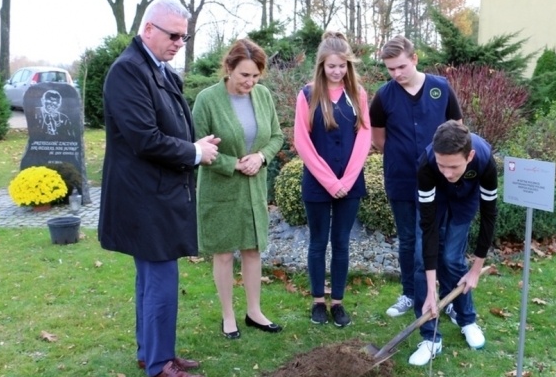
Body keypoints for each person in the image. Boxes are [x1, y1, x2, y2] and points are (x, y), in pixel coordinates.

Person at [99, 0, 220, 377]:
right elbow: (144, 138)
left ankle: (151, 351)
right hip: (144, 196)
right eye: (173, 35)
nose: (178, 44)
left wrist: (193, 144)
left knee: (152, 279)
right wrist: (194, 153)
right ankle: (159, 366)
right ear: (148, 29)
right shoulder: (128, 71)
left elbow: (168, 126)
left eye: (184, 37)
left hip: (159, 192)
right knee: (161, 279)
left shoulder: (159, 69)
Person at [193, 39, 285, 340]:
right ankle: (228, 315)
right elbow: (197, 148)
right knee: (223, 253)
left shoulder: (263, 96)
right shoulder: (207, 100)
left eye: (256, 75)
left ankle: (254, 311)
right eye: (245, 74)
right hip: (220, 188)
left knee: (252, 249)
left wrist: (261, 157)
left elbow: (276, 137)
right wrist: (232, 163)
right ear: (229, 68)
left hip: (253, 187)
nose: (251, 82)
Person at [370, 35, 464, 318]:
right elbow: (378, 139)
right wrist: (403, 156)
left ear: (414, 59)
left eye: (401, 66)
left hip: (439, 180)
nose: (396, 74)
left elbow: (458, 132)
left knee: (440, 239)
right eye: (391, 69)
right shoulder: (383, 96)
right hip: (400, 178)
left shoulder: (440, 88)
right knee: (408, 239)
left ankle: (446, 298)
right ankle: (410, 294)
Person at [293, 32, 371, 327]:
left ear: (348, 65)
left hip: (350, 184)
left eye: (342, 66)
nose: (337, 71)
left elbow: (364, 137)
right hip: (317, 183)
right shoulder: (307, 95)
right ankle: (317, 302)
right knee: (317, 242)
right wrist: (330, 181)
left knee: (341, 243)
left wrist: (347, 180)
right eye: (331, 66)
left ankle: (337, 302)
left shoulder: (357, 94)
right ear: (321, 66)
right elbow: (302, 141)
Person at [408, 120, 498, 366]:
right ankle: (430, 338)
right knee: (421, 259)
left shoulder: (485, 160)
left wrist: (476, 270)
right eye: (442, 165)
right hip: (435, 199)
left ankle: (466, 319)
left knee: (451, 258)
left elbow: (489, 215)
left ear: (469, 156)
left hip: (464, 200)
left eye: (454, 166)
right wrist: (431, 291)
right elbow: (428, 229)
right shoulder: (427, 165)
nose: (447, 173)